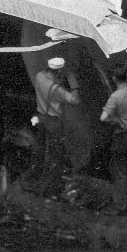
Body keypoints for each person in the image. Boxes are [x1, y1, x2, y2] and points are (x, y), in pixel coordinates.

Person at [100, 54, 127, 211]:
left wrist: (115, 120)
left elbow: (103, 117)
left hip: (122, 136)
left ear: (114, 78)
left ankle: (120, 204)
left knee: (119, 170)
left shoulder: (115, 97)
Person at [32, 56, 80, 194]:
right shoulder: (56, 90)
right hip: (53, 122)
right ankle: (48, 188)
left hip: (40, 118)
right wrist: (73, 84)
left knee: (41, 151)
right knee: (56, 156)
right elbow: (75, 100)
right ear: (59, 72)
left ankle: (36, 180)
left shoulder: (39, 76)